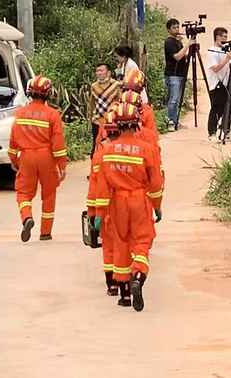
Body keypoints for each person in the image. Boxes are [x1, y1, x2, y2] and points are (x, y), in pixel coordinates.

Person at [92, 103, 163, 311]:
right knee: (142, 241)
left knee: (121, 242)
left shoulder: (106, 150)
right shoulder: (147, 150)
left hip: (117, 203)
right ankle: (138, 276)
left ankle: (124, 296)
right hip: (139, 200)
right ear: (136, 124)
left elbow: (102, 187)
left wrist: (99, 214)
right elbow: (156, 183)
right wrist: (156, 206)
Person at [8, 76, 68, 242]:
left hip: (26, 157)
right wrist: (62, 166)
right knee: (49, 194)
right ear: (48, 93)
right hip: (46, 157)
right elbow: (58, 144)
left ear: (29, 92)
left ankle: (27, 217)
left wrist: (14, 161)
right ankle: (45, 232)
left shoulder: (20, 113)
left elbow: (13, 143)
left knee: (23, 193)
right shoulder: (53, 114)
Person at [86, 108, 120, 296]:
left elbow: (96, 187)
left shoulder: (100, 154)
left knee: (108, 246)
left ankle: (112, 284)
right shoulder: (139, 149)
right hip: (131, 207)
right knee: (126, 244)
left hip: (107, 209)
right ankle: (128, 282)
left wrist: (94, 213)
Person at [205, 28, 231, 141]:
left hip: (226, 83)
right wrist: (228, 58)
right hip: (216, 84)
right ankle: (212, 133)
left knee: (228, 109)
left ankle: (226, 131)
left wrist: (230, 57)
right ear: (217, 37)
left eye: (226, 37)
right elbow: (216, 68)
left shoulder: (224, 50)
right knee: (216, 109)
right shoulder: (212, 52)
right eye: (223, 37)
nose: (225, 39)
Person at [87, 63, 121, 157]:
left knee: (112, 146)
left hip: (112, 122)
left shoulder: (116, 85)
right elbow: (92, 103)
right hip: (97, 120)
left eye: (101, 70)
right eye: (97, 71)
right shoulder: (94, 86)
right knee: (96, 146)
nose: (98, 73)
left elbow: (120, 100)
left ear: (109, 73)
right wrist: (90, 117)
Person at [163, 18, 189, 130]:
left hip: (180, 73)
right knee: (173, 99)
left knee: (177, 99)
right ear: (168, 30)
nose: (177, 29)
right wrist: (188, 45)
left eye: (178, 27)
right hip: (172, 74)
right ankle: (170, 122)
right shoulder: (169, 42)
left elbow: (183, 56)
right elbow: (177, 57)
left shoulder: (178, 41)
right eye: (174, 27)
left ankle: (175, 120)